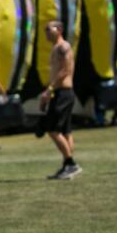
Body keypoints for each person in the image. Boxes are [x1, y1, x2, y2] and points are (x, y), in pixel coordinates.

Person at [39, 20, 80, 180]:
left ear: (59, 30)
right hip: (61, 92)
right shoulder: (56, 48)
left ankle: (71, 163)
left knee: (53, 129)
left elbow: (65, 70)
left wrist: (49, 90)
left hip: (63, 92)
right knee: (65, 131)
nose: (46, 32)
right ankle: (66, 166)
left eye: (49, 29)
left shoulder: (64, 47)